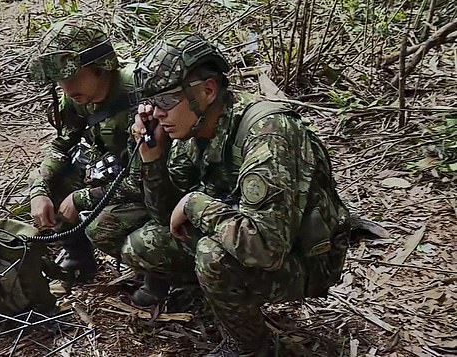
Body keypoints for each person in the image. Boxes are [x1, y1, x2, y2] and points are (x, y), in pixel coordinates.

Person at [125, 32, 351, 355]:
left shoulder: (266, 132)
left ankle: (249, 347)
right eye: (152, 104)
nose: (157, 114)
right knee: (142, 244)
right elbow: (166, 217)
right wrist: (152, 158)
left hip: (304, 257)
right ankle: (220, 297)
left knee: (211, 257)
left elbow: (266, 248)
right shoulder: (192, 131)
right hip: (247, 235)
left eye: (165, 101)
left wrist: (194, 204)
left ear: (207, 91)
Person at [28, 14, 149, 282]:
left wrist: (81, 198)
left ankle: (156, 274)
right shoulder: (75, 98)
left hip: (152, 183)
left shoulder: (141, 95)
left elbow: (148, 179)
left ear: (101, 67)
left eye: (72, 77)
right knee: (57, 180)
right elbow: (61, 147)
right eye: (60, 79)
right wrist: (39, 189)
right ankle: (78, 257)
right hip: (114, 171)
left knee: (103, 226)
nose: (66, 87)